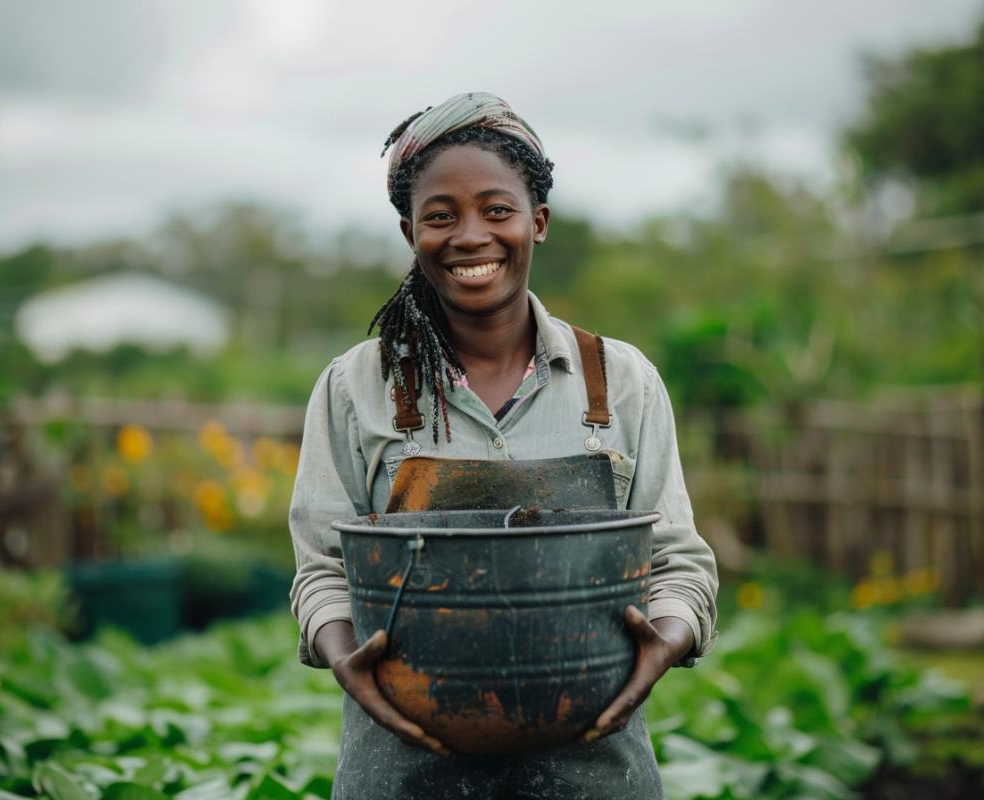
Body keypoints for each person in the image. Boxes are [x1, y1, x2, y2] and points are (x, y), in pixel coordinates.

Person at [288, 92, 718, 800]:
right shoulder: (354, 387)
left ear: (536, 222)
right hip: (403, 768)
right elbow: (323, 571)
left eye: (496, 210)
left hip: (591, 766)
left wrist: (663, 643)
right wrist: (345, 658)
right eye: (440, 215)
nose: (470, 236)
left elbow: (679, 560)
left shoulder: (620, 381)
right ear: (410, 232)